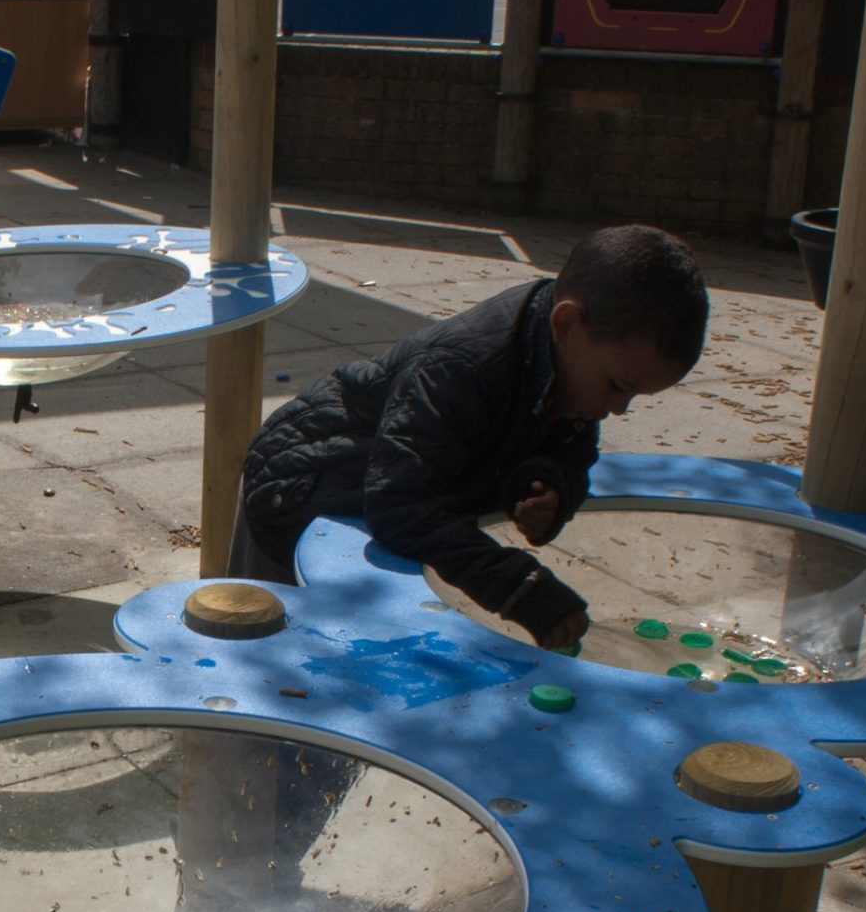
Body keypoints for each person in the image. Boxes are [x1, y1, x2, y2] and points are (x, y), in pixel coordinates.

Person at [231, 224, 709, 646]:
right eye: (619, 387)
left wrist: (551, 488)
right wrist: (520, 587)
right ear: (567, 322)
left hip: (376, 490)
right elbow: (401, 506)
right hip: (302, 491)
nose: (617, 409)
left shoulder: (571, 360)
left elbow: (566, 452)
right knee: (279, 653)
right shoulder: (461, 366)